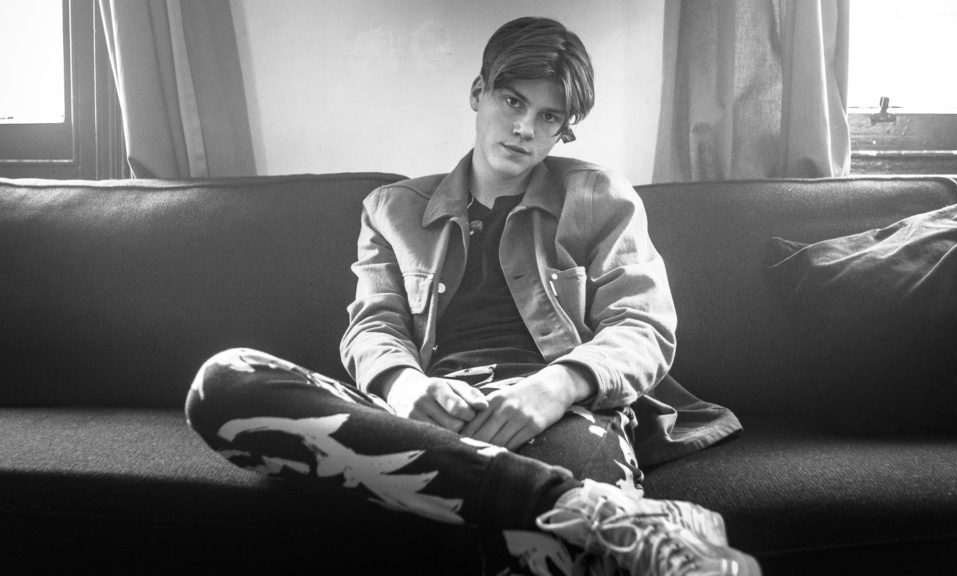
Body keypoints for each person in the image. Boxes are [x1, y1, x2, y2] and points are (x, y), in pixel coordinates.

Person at [186, 16, 758, 576]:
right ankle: (583, 508)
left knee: (549, 551)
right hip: (425, 414)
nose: (525, 128)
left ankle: (539, 499)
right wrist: (404, 386)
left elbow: (643, 325)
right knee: (225, 380)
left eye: (549, 116)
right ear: (478, 93)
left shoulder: (599, 196)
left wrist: (554, 388)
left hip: (563, 412)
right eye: (512, 101)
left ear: (563, 130)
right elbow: (374, 323)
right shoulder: (392, 209)